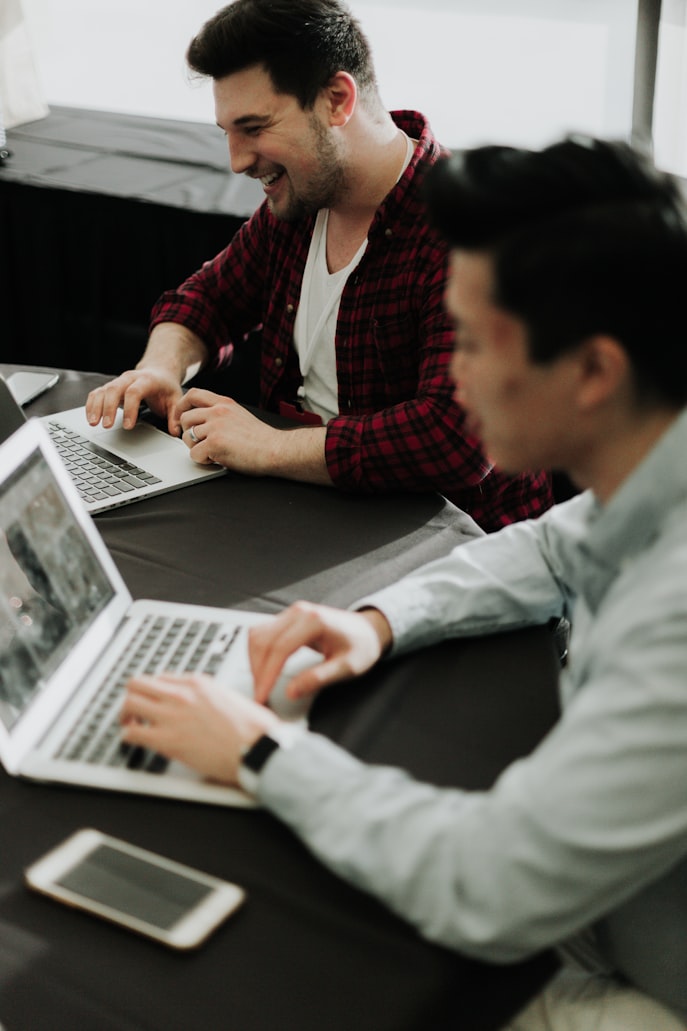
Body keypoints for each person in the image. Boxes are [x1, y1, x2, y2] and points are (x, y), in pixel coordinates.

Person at [120, 135, 687, 1029]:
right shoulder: (657, 465)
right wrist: (380, 618)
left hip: (635, 984)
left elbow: (488, 883)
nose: (449, 377)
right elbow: (549, 548)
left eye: (467, 340)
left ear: (592, 371)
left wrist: (263, 751)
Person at [84, 0, 552, 533]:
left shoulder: (474, 230)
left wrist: (272, 447)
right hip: (312, 515)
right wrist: (160, 367)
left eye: (254, 127)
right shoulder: (301, 204)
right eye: (227, 132)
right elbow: (207, 299)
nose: (236, 160)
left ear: (336, 100)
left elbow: (456, 439)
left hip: (453, 550)